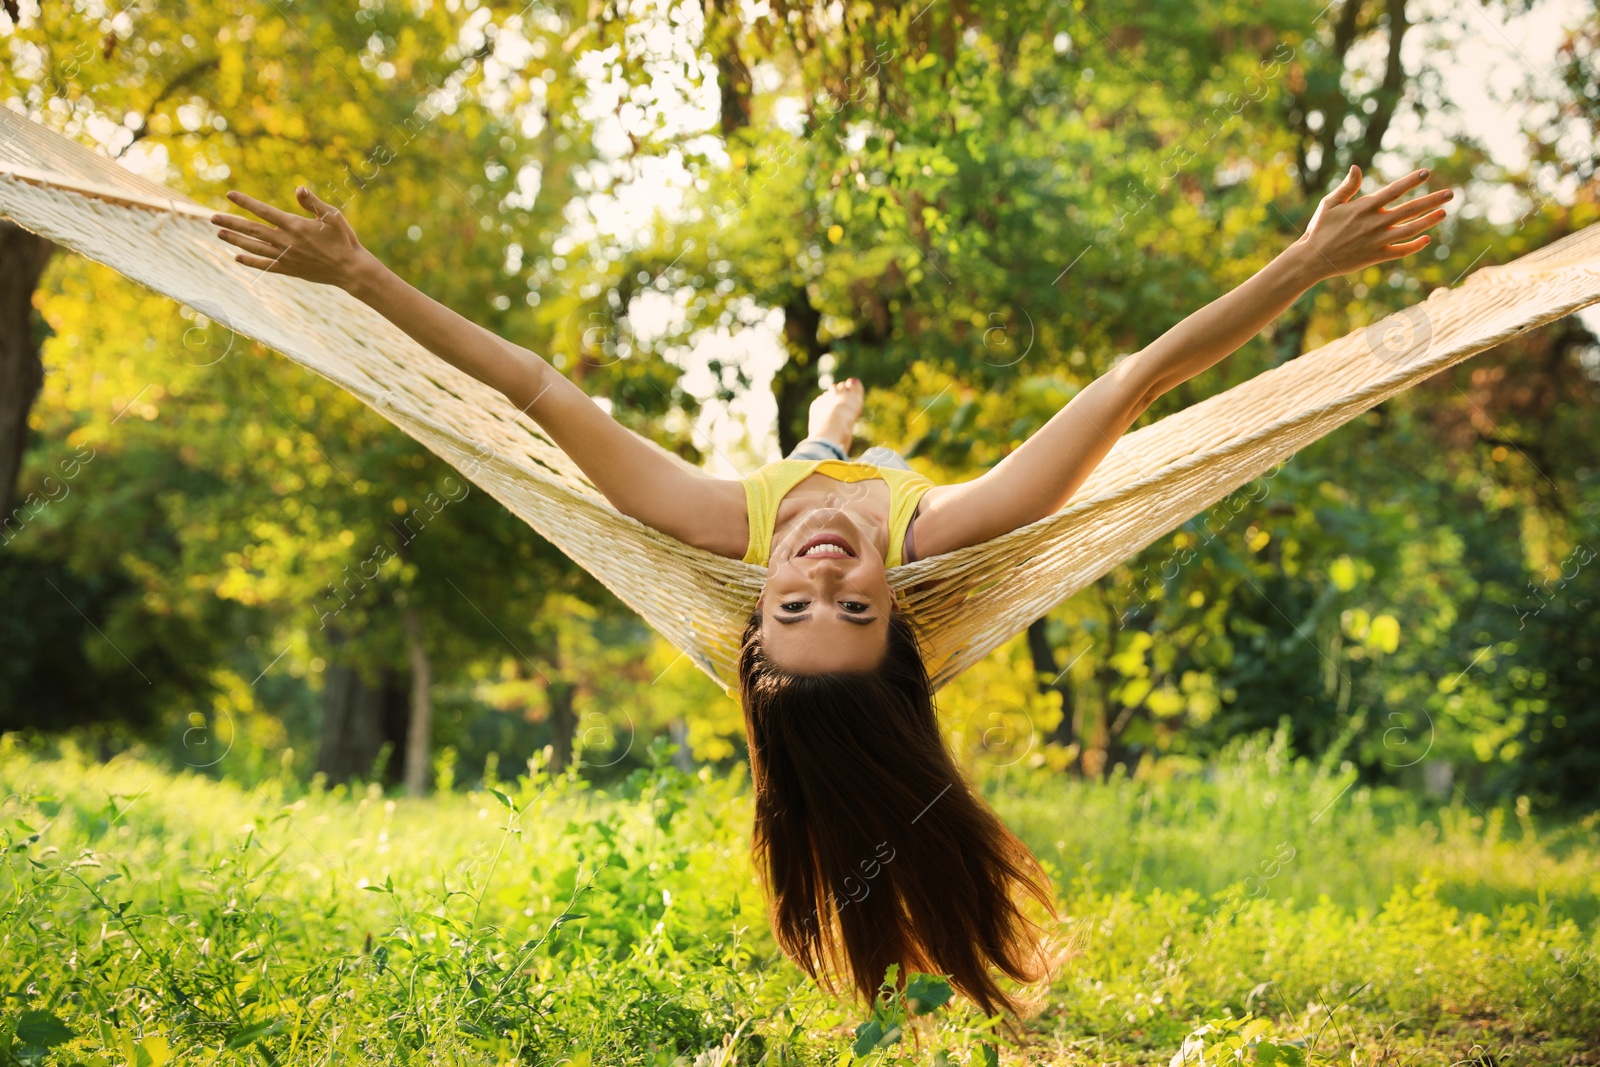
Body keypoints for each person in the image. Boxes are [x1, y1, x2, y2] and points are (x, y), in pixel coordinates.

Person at [211, 163, 1451, 1017]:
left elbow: (536, 391)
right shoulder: (947, 532)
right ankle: (830, 433)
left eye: (793, 612)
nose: (817, 576)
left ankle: (823, 428)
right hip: (868, 470)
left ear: (750, 614)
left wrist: (362, 275)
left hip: (813, 455)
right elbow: (1135, 381)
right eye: (852, 609)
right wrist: (1305, 260)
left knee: (814, 461)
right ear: (898, 612)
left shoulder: (717, 527)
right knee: (841, 470)